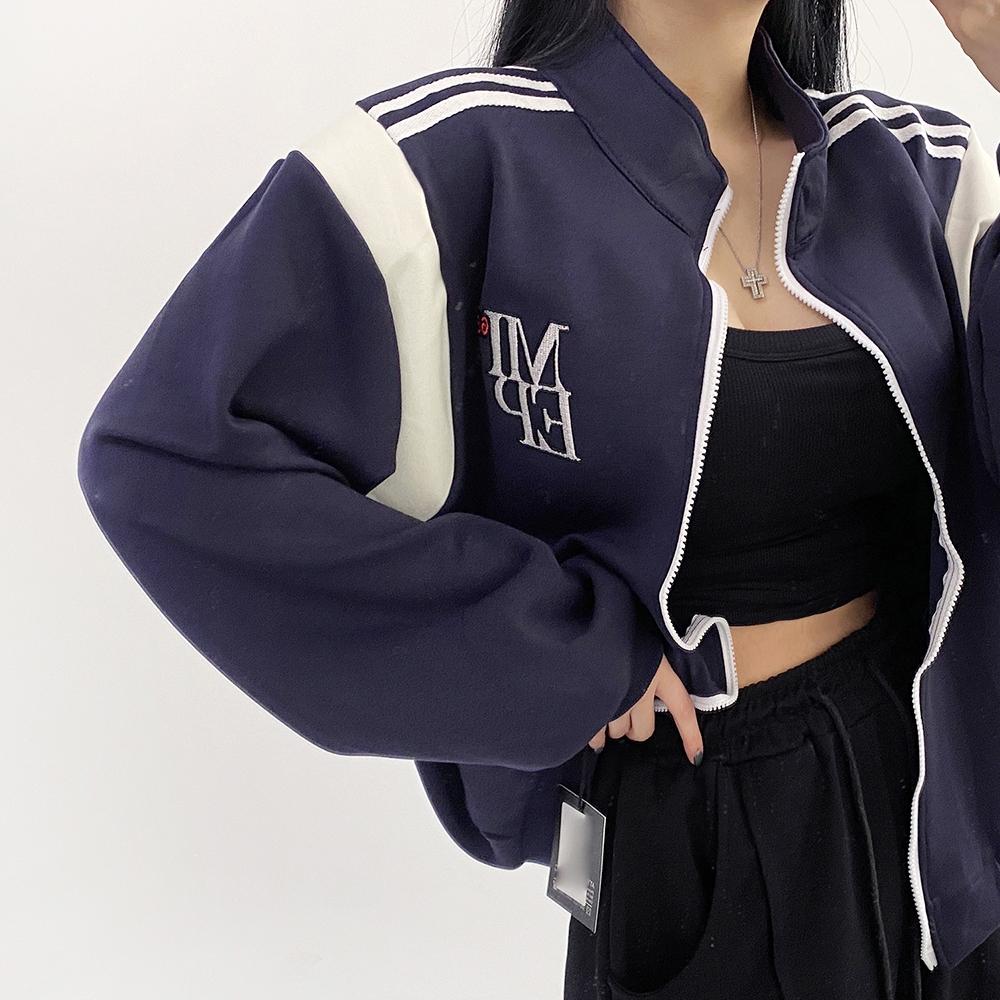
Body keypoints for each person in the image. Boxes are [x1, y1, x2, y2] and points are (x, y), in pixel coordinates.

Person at [77, 0, 1000, 995]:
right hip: (687, 821)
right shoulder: (454, 157)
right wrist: (557, 649)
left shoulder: (920, 166)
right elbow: (165, 453)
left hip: (939, 813)